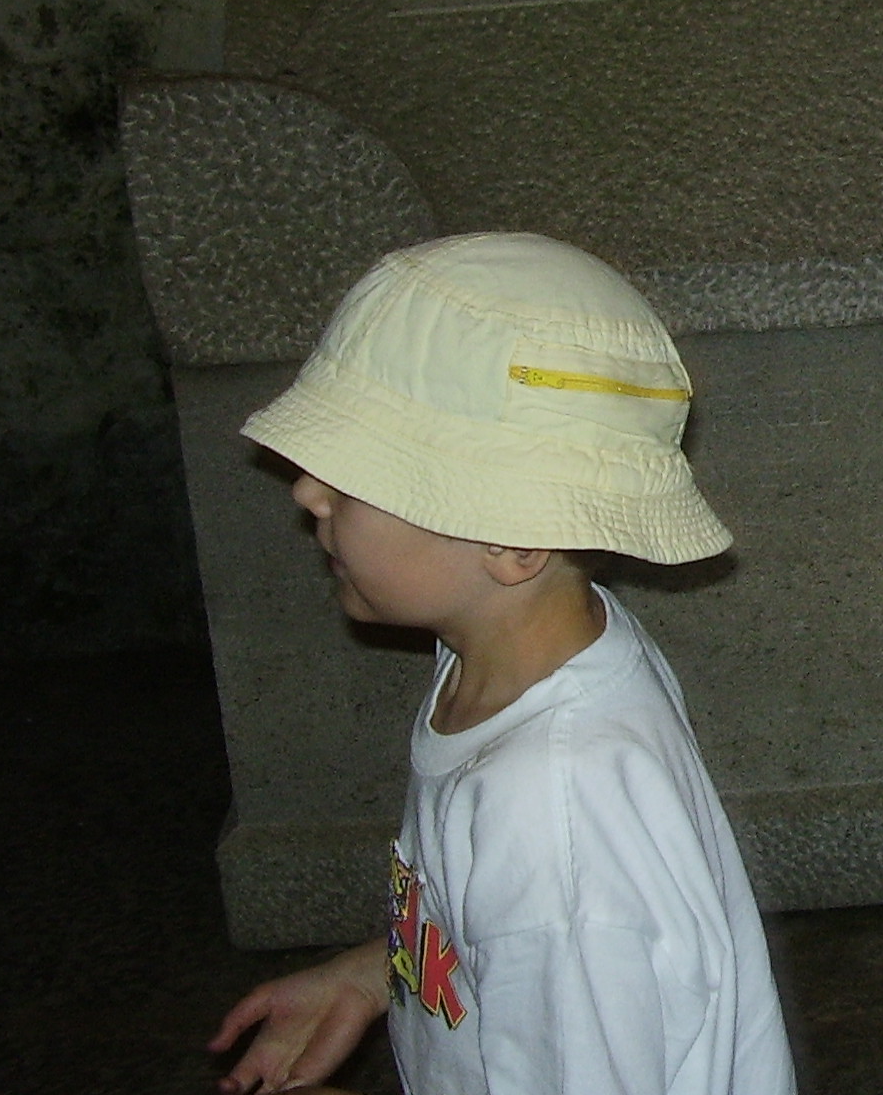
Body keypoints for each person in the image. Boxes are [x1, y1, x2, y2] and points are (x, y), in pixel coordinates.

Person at [208, 232, 795, 1095]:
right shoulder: (529, 654)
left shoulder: (549, 808)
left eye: (353, 473)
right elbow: (523, 937)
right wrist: (378, 973)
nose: (307, 490)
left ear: (515, 540)